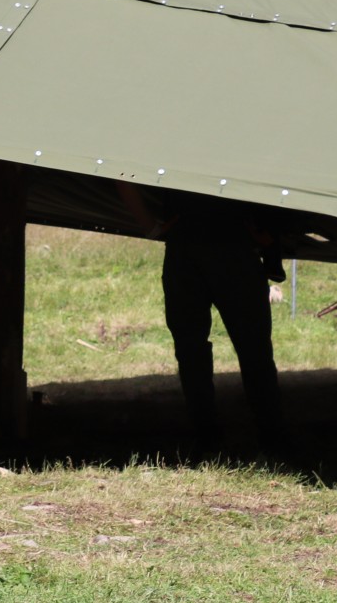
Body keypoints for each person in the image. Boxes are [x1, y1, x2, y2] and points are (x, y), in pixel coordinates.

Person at [119, 185, 287, 449]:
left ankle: (226, 437)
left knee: (209, 351)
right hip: (217, 250)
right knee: (243, 350)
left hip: (208, 248)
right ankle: (262, 437)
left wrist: (152, 227)